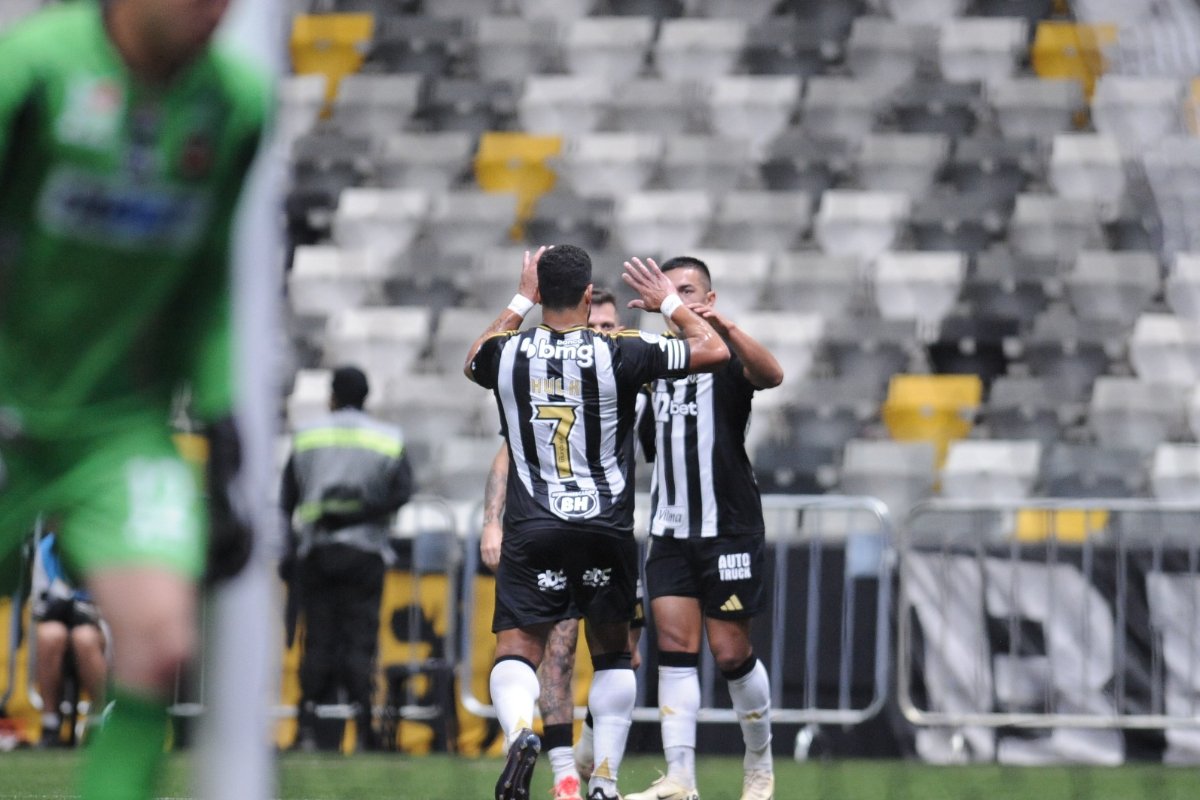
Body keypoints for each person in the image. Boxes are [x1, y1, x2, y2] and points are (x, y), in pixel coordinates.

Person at [0, 1, 266, 798]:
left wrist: (219, 422)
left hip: (116, 429)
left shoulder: (237, 104)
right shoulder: (35, 69)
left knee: (158, 642)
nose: (213, 11)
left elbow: (210, 279)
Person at [465, 245, 728, 800]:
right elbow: (713, 352)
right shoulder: (622, 350)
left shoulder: (507, 354)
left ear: (541, 295)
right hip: (604, 528)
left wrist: (519, 299)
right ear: (589, 297)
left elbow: (473, 359)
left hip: (533, 524)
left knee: (516, 649)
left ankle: (519, 735)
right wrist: (668, 307)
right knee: (612, 651)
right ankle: (604, 780)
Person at [626, 256, 784, 800]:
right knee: (674, 645)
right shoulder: (653, 364)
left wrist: (727, 327)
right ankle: (680, 779)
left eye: (687, 289)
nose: (677, 299)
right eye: (667, 292)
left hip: (728, 527)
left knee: (731, 651)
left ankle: (759, 766)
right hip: (669, 527)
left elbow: (773, 375)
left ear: (709, 299)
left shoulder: (724, 356)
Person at [479, 287, 647, 800]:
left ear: (617, 331)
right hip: (596, 530)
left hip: (561, 530)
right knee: (560, 651)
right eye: (592, 326)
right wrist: (492, 521)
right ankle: (568, 775)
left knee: (624, 656)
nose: (598, 335)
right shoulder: (554, 381)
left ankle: (584, 757)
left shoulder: (633, 382)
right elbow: (509, 453)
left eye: (607, 329)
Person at [279, 365, 414, 752]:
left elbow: (287, 498)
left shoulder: (307, 436)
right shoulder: (387, 438)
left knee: (317, 638)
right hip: (365, 551)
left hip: (317, 550)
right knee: (360, 639)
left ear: (332, 395)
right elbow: (403, 490)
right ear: (366, 397)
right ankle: (364, 731)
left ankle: (305, 728)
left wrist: (289, 548)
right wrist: (363, 513)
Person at [32, 532, 109, 748]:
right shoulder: (46, 549)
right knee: (49, 634)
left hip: (99, 622)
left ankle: (99, 719)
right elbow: (38, 601)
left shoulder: (106, 541)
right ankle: (51, 724)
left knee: (83, 638)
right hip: (59, 620)